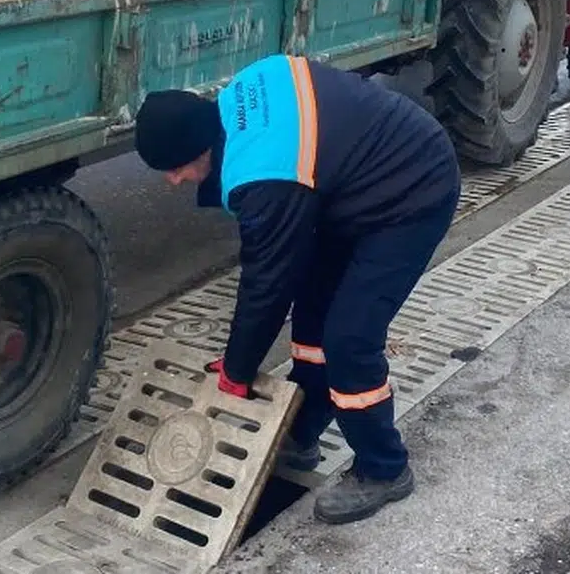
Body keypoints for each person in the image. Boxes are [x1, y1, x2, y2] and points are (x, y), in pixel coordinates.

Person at [134, 53, 461, 525]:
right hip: (348, 186)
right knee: (310, 322)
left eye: (175, 169)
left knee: (349, 338)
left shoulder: (264, 176)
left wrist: (237, 370)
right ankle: (301, 433)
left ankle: (384, 467)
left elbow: (266, 283)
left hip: (412, 191)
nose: (173, 182)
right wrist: (239, 361)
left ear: (200, 148)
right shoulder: (241, 96)